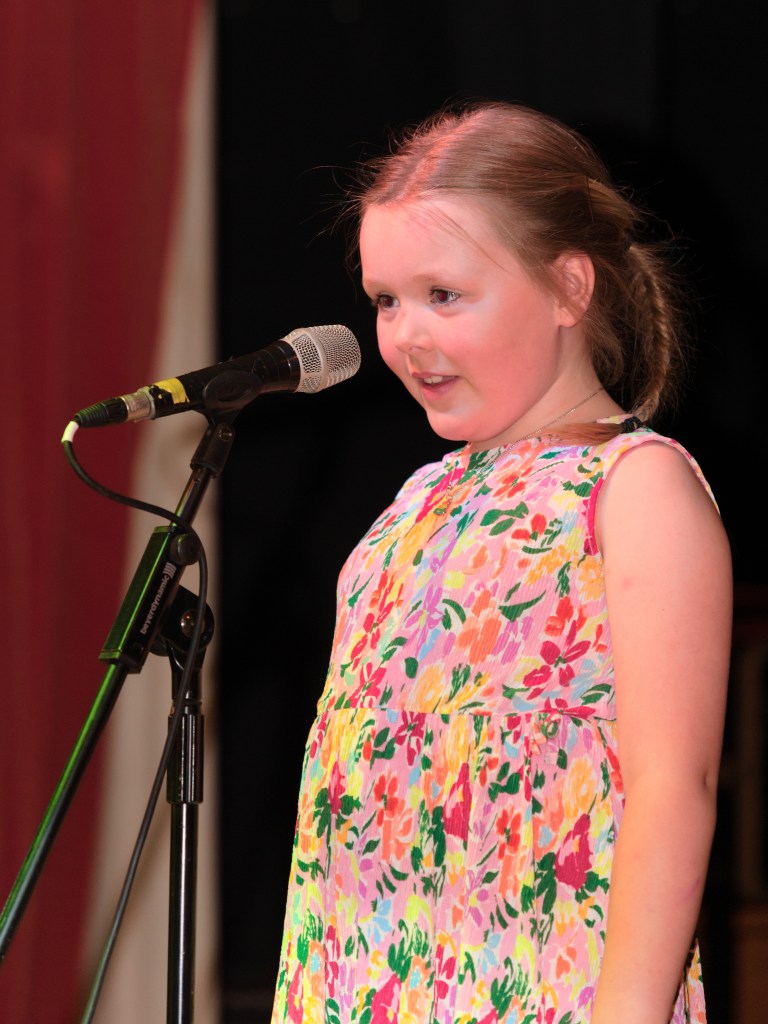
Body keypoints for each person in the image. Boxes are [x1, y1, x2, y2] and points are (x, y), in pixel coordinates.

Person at [270, 101, 732, 1024]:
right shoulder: (416, 502)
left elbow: (673, 792)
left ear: (568, 288)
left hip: (541, 993)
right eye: (386, 300)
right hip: (363, 985)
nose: (406, 335)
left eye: (444, 295)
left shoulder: (634, 490)